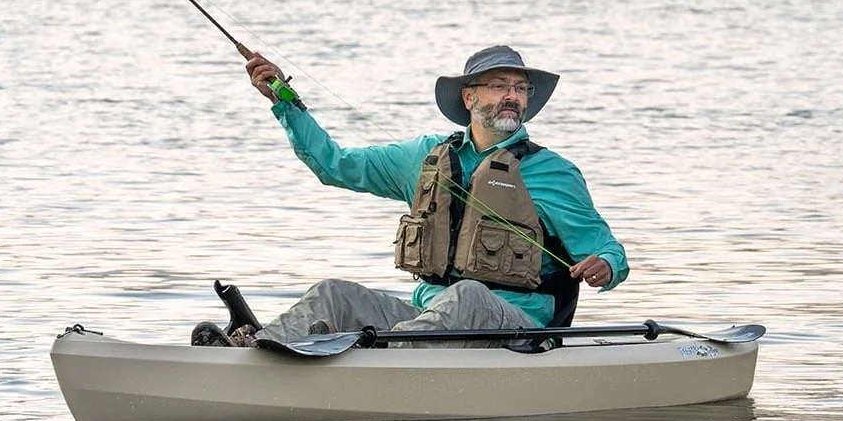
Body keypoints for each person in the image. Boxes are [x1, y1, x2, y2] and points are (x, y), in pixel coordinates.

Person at [211, 42, 627, 347]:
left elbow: (606, 248)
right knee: (334, 293)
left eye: (520, 88)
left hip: (514, 330)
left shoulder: (553, 172)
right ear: (469, 97)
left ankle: (369, 359)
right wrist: (285, 101)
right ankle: (256, 352)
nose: (512, 96)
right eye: (500, 85)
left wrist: (605, 266)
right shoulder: (424, 157)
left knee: (468, 295)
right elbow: (334, 164)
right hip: (427, 322)